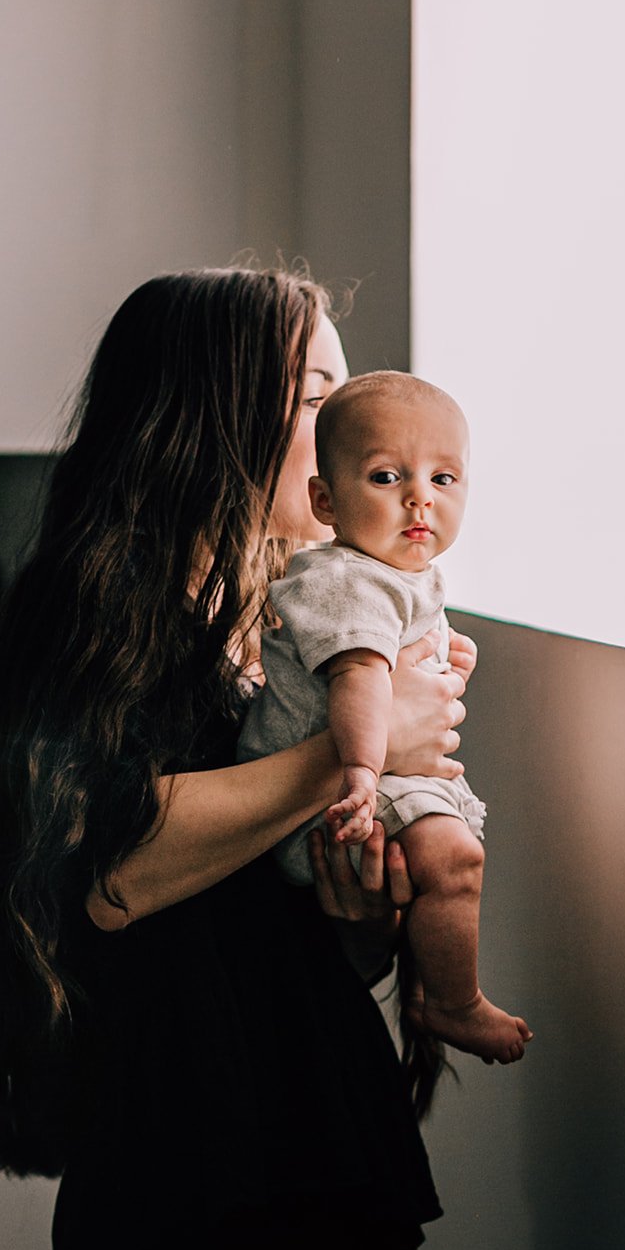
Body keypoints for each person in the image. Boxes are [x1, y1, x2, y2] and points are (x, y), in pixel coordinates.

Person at [0, 268, 470, 1250]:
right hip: (184, 1183)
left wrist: (359, 898)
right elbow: (110, 877)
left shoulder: (286, 624)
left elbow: (289, 945)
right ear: (210, 413)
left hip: (291, 1154)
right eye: (314, 395)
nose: (355, 430)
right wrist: (358, 750)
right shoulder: (96, 607)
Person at [238, 370, 532, 1066]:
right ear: (326, 499)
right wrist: (364, 771)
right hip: (330, 799)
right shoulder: (347, 579)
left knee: (449, 862)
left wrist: (439, 671)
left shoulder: (400, 574)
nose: (418, 498)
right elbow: (361, 681)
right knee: (456, 857)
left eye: (444, 478)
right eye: (386, 476)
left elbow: (393, 678)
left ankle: (438, 994)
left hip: (344, 788)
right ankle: (452, 1002)